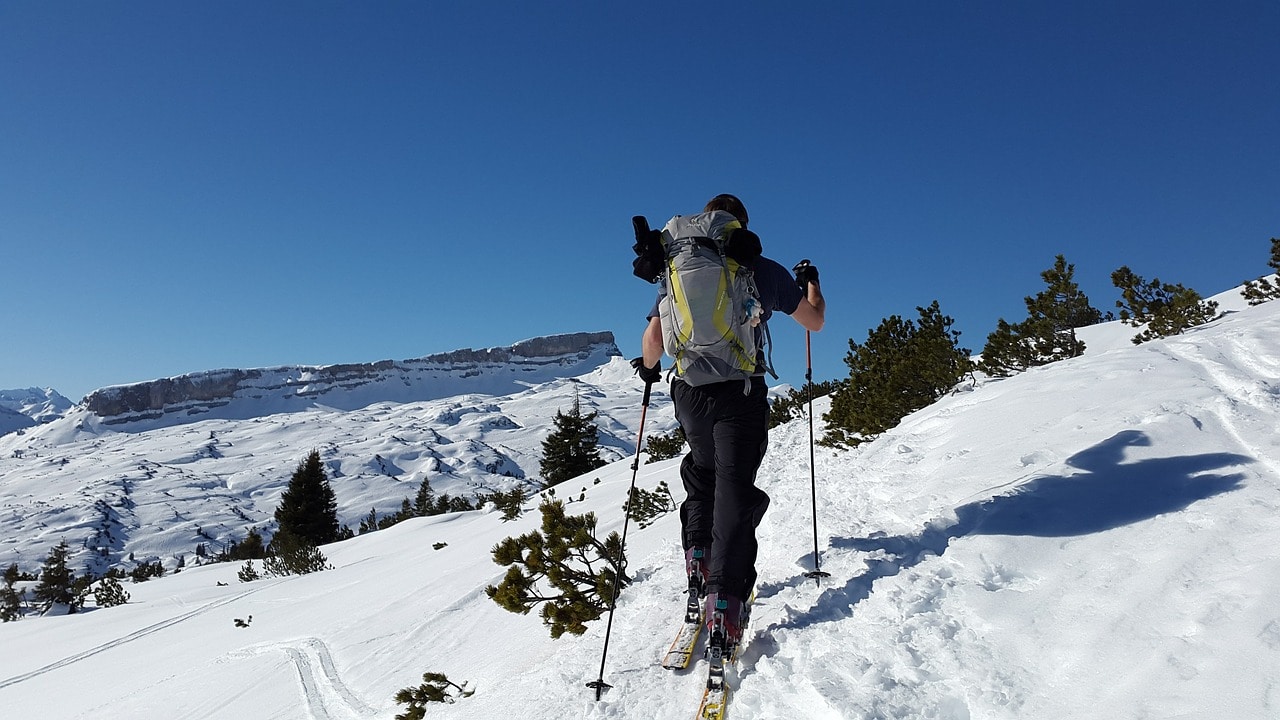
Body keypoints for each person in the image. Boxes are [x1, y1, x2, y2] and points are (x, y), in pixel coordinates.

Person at [632, 193, 825, 654]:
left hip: (690, 394)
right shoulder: (758, 266)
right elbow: (814, 323)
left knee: (702, 476)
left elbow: (656, 336)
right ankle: (726, 604)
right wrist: (811, 284)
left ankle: (698, 556)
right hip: (740, 393)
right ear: (740, 225)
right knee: (735, 491)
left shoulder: (679, 269)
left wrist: (647, 367)